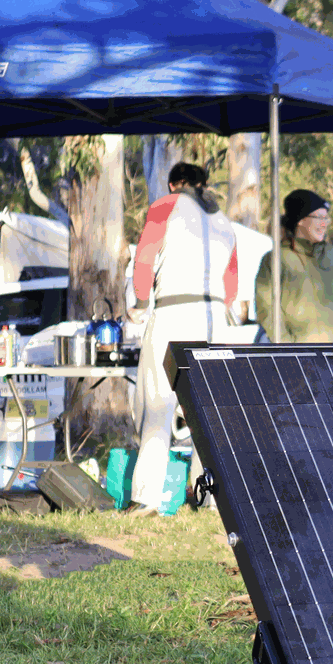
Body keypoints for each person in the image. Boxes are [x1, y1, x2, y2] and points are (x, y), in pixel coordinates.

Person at [126, 162, 239, 516]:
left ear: (175, 184)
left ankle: (147, 497)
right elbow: (232, 286)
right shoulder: (225, 222)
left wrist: (139, 304)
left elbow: (144, 260)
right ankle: (208, 500)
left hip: (173, 313)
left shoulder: (166, 205)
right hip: (214, 320)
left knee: (157, 404)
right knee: (207, 412)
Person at [254, 189, 333, 344]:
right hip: (299, 354)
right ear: (300, 220)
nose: (324, 224)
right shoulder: (275, 260)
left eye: (326, 218)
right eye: (319, 217)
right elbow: (267, 311)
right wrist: (288, 347)